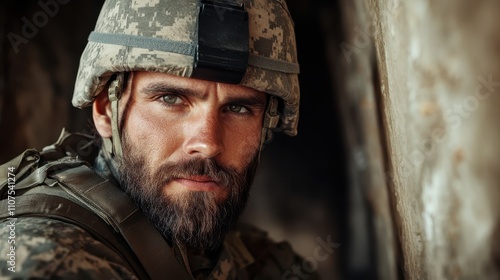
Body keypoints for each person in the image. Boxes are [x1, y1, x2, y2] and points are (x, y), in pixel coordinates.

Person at [0, 0, 317, 279]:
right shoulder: (49, 261)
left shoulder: (266, 264)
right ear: (105, 111)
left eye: (238, 108)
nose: (207, 143)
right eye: (171, 99)